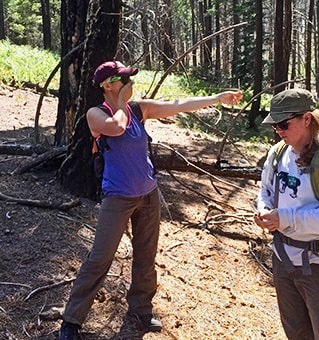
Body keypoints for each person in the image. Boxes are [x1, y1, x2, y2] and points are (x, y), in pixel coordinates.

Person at [59, 60, 242, 340]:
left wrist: (217, 99)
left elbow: (178, 104)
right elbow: (117, 128)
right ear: (107, 85)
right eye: (123, 79)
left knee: (146, 256)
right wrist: (121, 101)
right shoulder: (96, 114)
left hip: (148, 193)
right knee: (100, 258)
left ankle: (141, 310)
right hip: (117, 197)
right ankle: (72, 320)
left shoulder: (137, 109)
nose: (130, 82)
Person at [253, 88, 319, 340]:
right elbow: (265, 189)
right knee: (296, 333)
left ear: (306, 119)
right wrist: (264, 209)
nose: (278, 131)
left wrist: (284, 218)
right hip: (284, 259)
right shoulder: (278, 153)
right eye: (275, 126)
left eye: (284, 124)